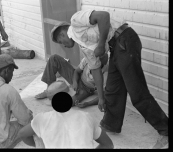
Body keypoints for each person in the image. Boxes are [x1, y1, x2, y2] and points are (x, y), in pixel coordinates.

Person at [50, 9, 168, 149]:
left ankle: (166, 130)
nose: (63, 45)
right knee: (112, 89)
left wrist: (100, 45)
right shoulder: (84, 46)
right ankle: (110, 124)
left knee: (137, 93)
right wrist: (100, 98)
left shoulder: (76, 21)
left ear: (63, 33)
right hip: (116, 48)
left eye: (60, 41)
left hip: (125, 39)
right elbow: (95, 70)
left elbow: (103, 16)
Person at [15, 105, 114, 149]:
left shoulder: (42, 118)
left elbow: (22, 134)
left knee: (37, 134)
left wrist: (40, 145)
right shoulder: (86, 116)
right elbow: (108, 145)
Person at [35, 53, 108, 107]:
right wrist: (75, 81)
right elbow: (77, 71)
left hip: (86, 89)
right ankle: (49, 90)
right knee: (54, 58)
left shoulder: (106, 73)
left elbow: (103, 95)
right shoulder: (89, 59)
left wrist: (88, 103)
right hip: (78, 77)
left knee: (67, 103)